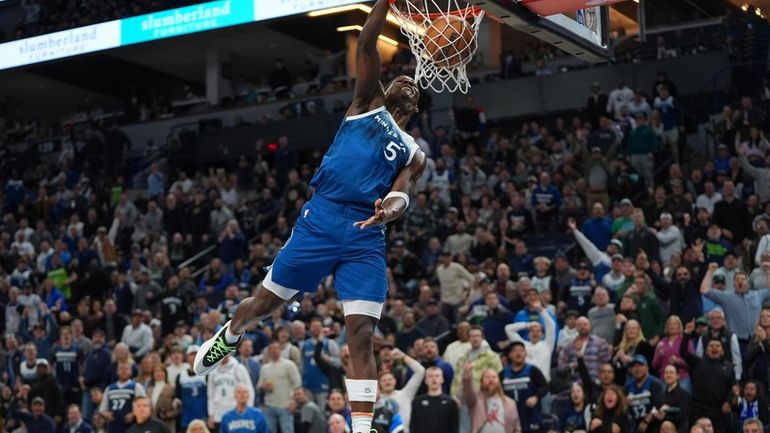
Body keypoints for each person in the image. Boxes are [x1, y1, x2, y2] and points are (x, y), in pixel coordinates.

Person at [194, 3, 427, 433]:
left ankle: (360, 427)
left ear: (416, 107)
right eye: (402, 77)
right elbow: (370, 39)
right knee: (264, 305)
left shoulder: (415, 152)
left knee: (359, 334)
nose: (407, 82)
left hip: (365, 232)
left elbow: (402, 192)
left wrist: (388, 210)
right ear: (389, 87)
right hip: (322, 218)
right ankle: (230, 333)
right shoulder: (365, 102)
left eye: (414, 84)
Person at [501, 341, 548, 433]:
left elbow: (545, 387)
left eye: (521, 351)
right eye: (515, 351)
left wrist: (536, 397)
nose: (518, 353)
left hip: (531, 415)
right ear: (510, 355)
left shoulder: (533, 370)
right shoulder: (503, 373)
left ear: (525, 354)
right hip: (511, 417)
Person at [462, 361, 522, 433]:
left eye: (494, 377)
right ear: (481, 382)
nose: (491, 380)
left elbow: (517, 428)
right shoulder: (475, 399)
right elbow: (467, 389)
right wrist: (467, 375)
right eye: (487, 377)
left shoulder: (510, 403)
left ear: (499, 381)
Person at [504, 300, 556, 381]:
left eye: (538, 331)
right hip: (526, 382)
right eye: (532, 331)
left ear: (542, 334)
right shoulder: (523, 345)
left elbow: (551, 325)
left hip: (543, 383)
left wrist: (541, 309)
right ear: (528, 334)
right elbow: (508, 329)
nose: (535, 333)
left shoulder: (547, 345)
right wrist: (528, 324)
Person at [258, 341, 301, 433]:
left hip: (286, 405)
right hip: (269, 406)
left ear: (280, 350)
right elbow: (259, 386)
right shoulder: (265, 368)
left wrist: (294, 401)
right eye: (272, 349)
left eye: (276, 348)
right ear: (268, 351)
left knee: (287, 431)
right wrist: (264, 386)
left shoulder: (289, 365)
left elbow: (297, 384)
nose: (274, 351)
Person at [100, 360, 146, 433]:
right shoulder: (109, 388)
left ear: (130, 371)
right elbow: (102, 409)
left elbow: (144, 405)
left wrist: (134, 413)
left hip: (132, 426)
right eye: (121, 369)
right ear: (117, 371)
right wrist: (105, 414)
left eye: (126, 369)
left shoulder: (136, 387)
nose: (123, 371)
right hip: (113, 427)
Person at [410, 367, 459, 433]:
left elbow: (454, 428)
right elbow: (413, 426)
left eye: (437, 376)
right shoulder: (417, 402)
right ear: (426, 380)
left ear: (442, 379)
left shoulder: (451, 403)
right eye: (430, 376)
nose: (434, 379)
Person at [175, 346, 208, 431]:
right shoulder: (180, 375)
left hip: (203, 414)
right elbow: (177, 395)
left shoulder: (207, 373)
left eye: (196, 354)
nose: (193, 357)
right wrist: (176, 400)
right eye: (191, 355)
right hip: (186, 416)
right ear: (187, 357)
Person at [654, 366, 688, 433]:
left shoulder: (684, 394)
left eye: (671, 372)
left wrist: (665, 416)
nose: (668, 375)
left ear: (677, 375)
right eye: (666, 373)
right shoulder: (661, 395)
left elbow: (682, 416)